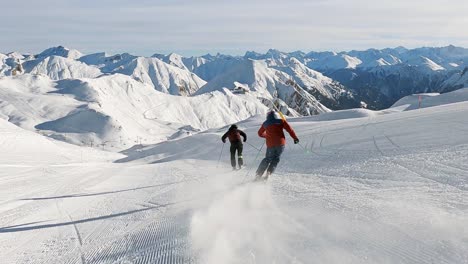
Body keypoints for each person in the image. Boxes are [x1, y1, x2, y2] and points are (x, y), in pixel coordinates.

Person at [255, 110, 299, 180]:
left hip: (270, 144)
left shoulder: (265, 123)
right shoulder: (281, 121)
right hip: (281, 144)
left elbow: (259, 133)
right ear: (275, 116)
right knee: (276, 158)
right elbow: (290, 130)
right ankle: (269, 173)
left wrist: (266, 136)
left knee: (267, 159)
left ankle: (258, 174)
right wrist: (295, 138)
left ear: (267, 117)